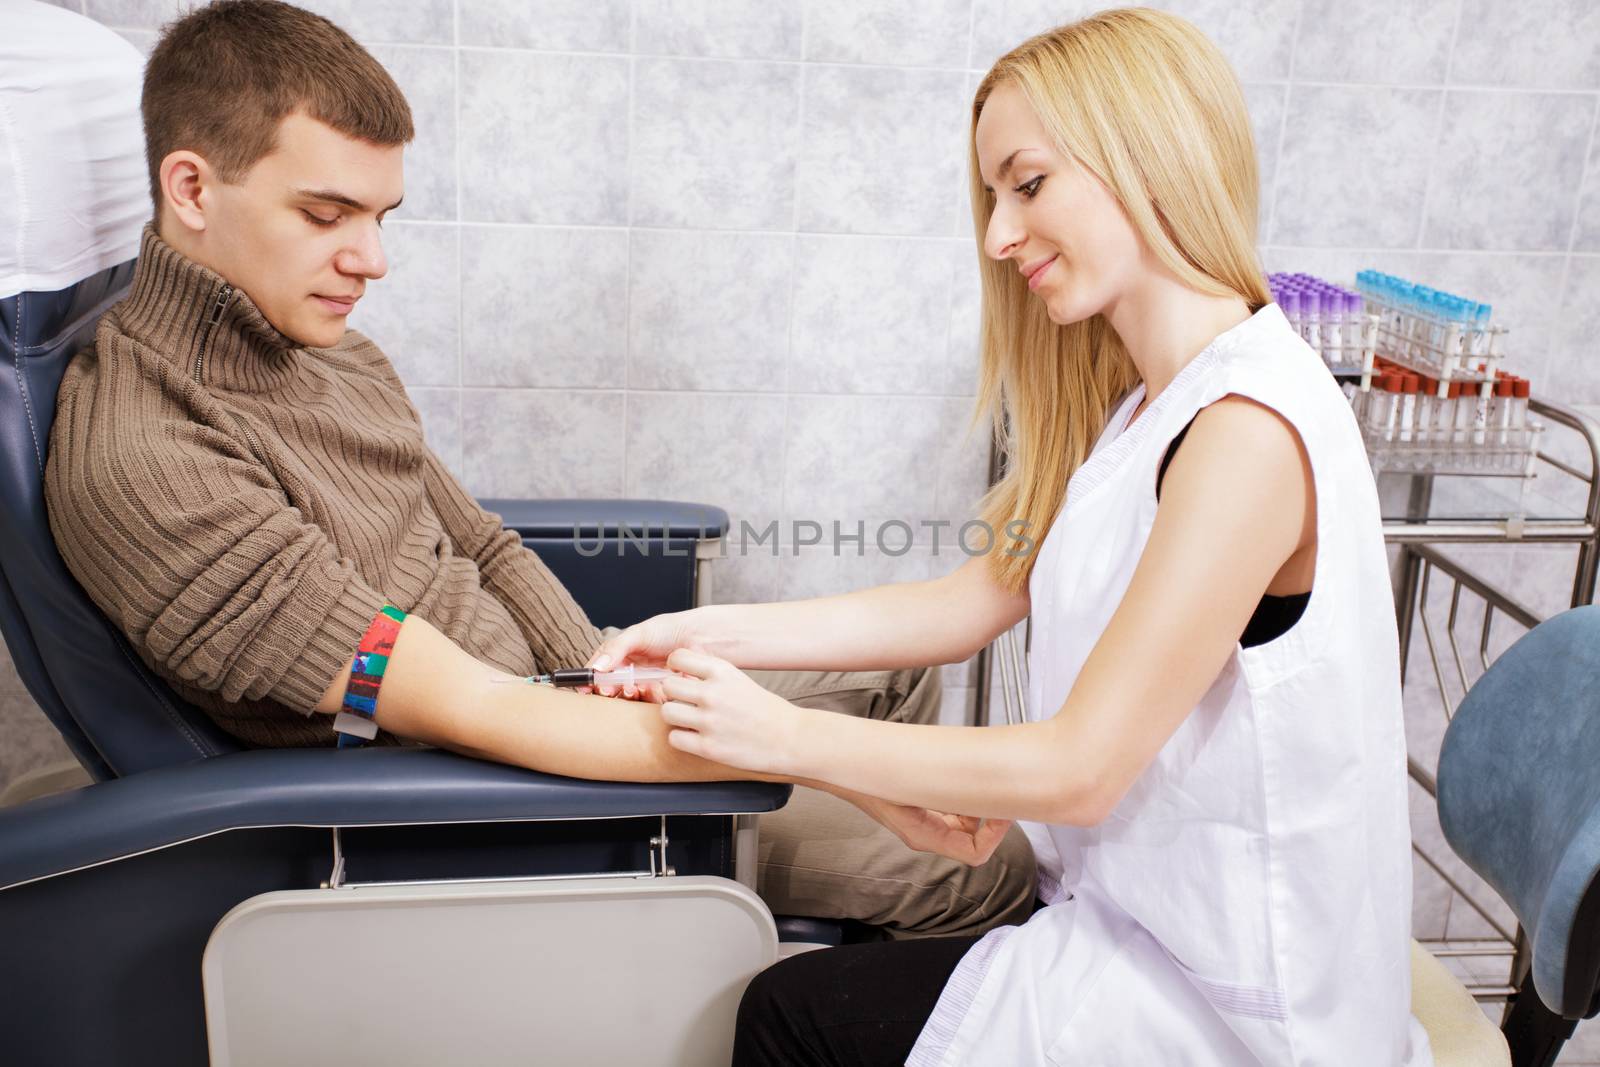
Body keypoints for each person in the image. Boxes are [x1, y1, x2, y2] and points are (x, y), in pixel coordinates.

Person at [41, 0, 1034, 941]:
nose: (371, 259)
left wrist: (609, 673)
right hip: (506, 796)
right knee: (993, 866)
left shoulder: (320, 349)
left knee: (903, 666)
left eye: (382, 215)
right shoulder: (148, 461)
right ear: (191, 187)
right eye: (327, 213)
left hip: (555, 695)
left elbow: (479, 542)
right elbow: (475, 707)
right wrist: (824, 761)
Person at [592, 9, 1430, 1065]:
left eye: (1026, 184)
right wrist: (709, 631)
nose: (996, 233)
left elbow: (1080, 766)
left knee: (792, 1015)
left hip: (1233, 1004)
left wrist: (783, 738)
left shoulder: (1245, 432)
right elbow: (975, 596)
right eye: (994, 195)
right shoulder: (1143, 410)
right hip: (1140, 924)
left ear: (1148, 152)